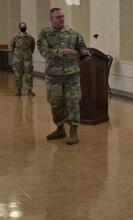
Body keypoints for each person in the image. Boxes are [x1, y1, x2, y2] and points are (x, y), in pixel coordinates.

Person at [37, 7, 91, 145]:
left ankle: (73, 132)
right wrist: (62, 52)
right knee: (55, 104)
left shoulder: (73, 33)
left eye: (62, 16)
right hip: (54, 76)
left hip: (71, 74)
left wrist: (85, 53)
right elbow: (44, 51)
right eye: (58, 17)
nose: (61, 19)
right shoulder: (45, 33)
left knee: (73, 102)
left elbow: (81, 46)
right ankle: (60, 128)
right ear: (51, 19)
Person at [10, 22, 36, 97]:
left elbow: (32, 47)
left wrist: (28, 53)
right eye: (22, 26)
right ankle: (18, 90)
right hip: (17, 58)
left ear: (26, 27)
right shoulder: (15, 37)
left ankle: (29, 90)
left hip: (27, 58)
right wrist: (16, 54)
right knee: (18, 74)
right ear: (19, 27)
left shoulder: (30, 37)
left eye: (24, 26)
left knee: (29, 74)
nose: (23, 27)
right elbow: (12, 46)